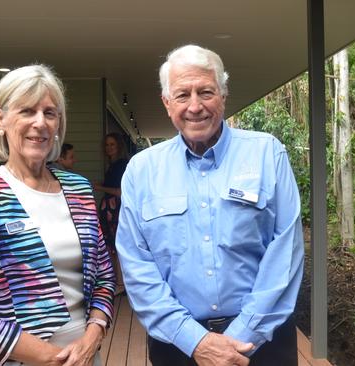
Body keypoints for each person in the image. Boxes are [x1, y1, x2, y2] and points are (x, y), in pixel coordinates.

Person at [116, 44, 304, 366]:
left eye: (205, 92)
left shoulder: (267, 154)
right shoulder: (141, 171)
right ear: (166, 103)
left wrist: (241, 337)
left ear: (223, 95)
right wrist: (196, 341)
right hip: (178, 347)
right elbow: (136, 264)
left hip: (262, 344)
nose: (195, 106)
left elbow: (285, 252)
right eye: (182, 95)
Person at [0, 64, 116, 366]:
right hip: (21, 360)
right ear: (1, 118)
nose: (40, 123)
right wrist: (56, 360)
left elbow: (103, 277)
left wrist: (92, 338)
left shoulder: (78, 189)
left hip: (88, 356)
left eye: (50, 113)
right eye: (27, 111)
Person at [94, 133, 129, 291]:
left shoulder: (121, 165)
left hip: (115, 209)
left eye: (112, 145)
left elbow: (120, 191)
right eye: (107, 145)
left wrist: (99, 187)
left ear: (119, 146)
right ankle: (118, 282)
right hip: (109, 209)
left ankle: (121, 283)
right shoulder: (113, 164)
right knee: (111, 246)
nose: (109, 148)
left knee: (117, 245)